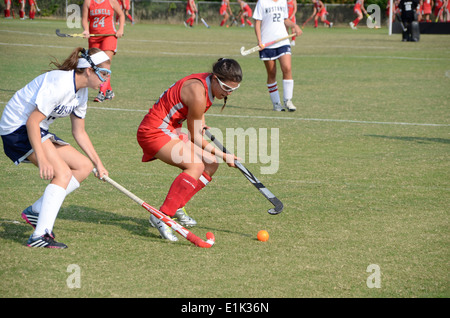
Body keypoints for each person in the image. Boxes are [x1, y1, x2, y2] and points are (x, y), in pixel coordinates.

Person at [0, 47, 111, 248]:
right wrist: (42, 158)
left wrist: (98, 163)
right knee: (62, 173)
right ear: (88, 70)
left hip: (36, 128)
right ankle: (39, 236)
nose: (105, 79)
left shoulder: (82, 92)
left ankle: (36, 211)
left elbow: (80, 132)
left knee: (83, 166)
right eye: (104, 73)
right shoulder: (60, 83)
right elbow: (32, 122)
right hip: (16, 128)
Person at [137, 58, 242, 241]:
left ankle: (177, 204)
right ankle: (161, 216)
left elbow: (195, 115)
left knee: (210, 163)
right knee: (195, 166)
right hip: (153, 131)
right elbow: (195, 137)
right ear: (215, 78)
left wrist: (202, 123)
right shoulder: (198, 93)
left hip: (170, 129)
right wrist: (225, 155)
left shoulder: (206, 84)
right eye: (226, 88)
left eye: (233, 90)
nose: (229, 93)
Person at [253, 0, 302, 112]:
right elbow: (257, 23)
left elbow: (285, 20)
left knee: (287, 68)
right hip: (267, 43)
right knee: (272, 73)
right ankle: (276, 104)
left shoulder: (283, 1)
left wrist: (295, 25)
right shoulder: (262, 2)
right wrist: (259, 41)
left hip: (283, 40)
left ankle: (288, 101)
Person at [82, 0, 124, 102]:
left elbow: (121, 15)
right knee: (96, 65)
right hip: (94, 37)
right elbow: (84, 19)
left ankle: (102, 92)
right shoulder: (88, 2)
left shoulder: (111, 1)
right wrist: (86, 30)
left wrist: (120, 29)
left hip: (109, 36)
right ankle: (109, 90)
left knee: (105, 64)